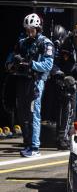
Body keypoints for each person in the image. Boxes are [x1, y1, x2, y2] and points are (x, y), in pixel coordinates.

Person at [5, 13, 54, 157]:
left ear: (38, 28)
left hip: (35, 82)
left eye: (31, 29)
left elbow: (48, 64)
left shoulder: (46, 43)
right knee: (22, 114)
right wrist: (10, 64)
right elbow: (13, 54)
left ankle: (34, 147)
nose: (28, 32)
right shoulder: (22, 40)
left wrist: (31, 64)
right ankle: (27, 143)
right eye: (27, 29)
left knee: (34, 114)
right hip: (22, 80)